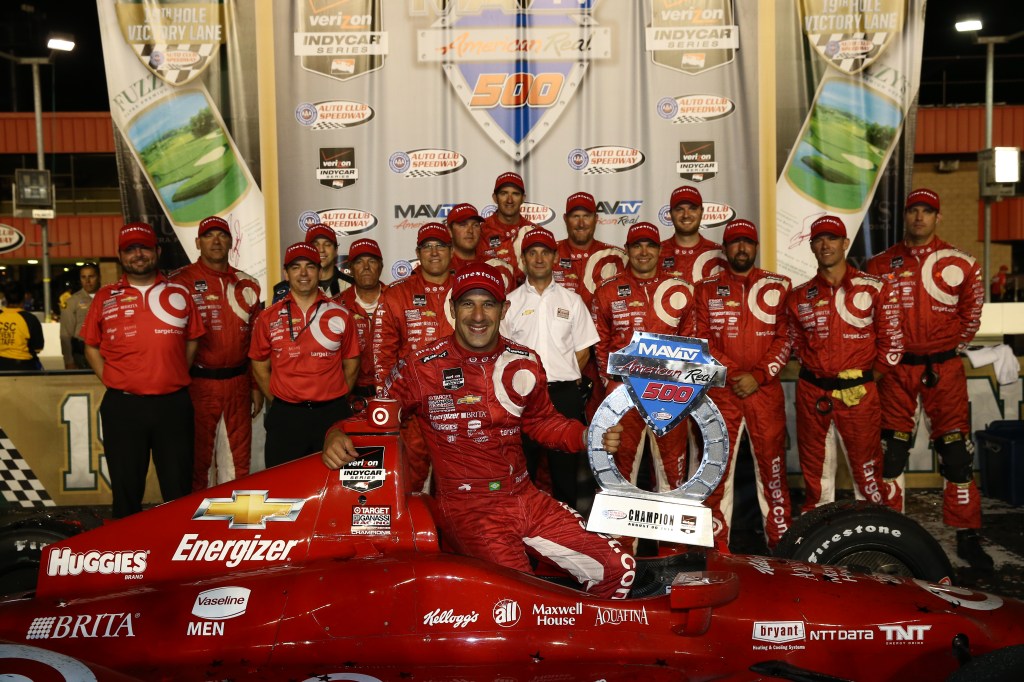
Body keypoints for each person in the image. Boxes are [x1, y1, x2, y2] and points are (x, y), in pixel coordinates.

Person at [323, 262, 635, 599]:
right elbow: (375, 418)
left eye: (488, 304)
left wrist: (587, 436)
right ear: (452, 308)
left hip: (525, 497)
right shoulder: (421, 367)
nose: (477, 315)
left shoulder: (525, 360)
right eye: (467, 304)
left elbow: (542, 421)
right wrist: (337, 431)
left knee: (619, 570)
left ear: (504, 309)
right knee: (523, 597)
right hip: (468, 508)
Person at [866, 188, 992, 569]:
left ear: (938, 217)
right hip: (897, 370)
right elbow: (871, 319)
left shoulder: (963, 263)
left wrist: (944, 348)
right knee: (891, 453)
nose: (919, 217)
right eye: (913, 211)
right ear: (904, 216)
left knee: (956, 454)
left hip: (944, 369)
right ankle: (890, 533)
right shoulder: (879, 265)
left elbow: (971, 316)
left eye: (927, 211)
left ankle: (967, 535)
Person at [80, 222, 205, 518]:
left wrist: (172, 372)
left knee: (178, 491)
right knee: (126, 492)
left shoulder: (180, 292)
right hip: (124, 407)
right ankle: (127, 546)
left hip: (173, 405)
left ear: (157, 251)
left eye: (144, 248)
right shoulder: (105, 296)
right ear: (120, 256)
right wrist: (112, 380)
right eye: (130, 249)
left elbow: (192, 340)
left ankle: (177, 546)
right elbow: (91, 347)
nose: (138, 254)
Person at [785, 215, 902, 515]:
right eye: (818, 240)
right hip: (813, 395)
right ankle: (818, 537)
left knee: (867, 475)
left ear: (845, 243)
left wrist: (864, 380)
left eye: (832, 238)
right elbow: (796, 344)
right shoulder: (799, 296)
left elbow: (893, 344)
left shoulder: (874, 288)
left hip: (859, 397)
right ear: (812, 246)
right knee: (816, 477)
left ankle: (873, 535)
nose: (825, 245)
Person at [693, 219, 794, 550]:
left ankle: (781, 548)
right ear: (724, 249)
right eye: (735, 242)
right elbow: (702, 340)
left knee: (773, 472)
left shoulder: (779, 286)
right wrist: (737, 374)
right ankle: (716, 550)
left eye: (747, 242)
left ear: (756, 247)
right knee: (716, 472)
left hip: (764, 391)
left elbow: (786, 337)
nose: (741, 248)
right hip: (723, 391)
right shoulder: (705, 288)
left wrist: (759, 375)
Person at [592, 222, 694, 494]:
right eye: (637, 246)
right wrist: (612, 384)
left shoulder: (681, 290)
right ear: (627, 249)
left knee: (671, 473)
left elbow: (692, 343)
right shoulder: (607, 290)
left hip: (670, 393)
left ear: (660, 250)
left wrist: (680, 387)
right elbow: (600, 345)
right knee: (620, 474)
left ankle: (671, 525)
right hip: (624, 393)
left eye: (650, 245)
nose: (644, 252)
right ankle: (622, 525)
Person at [500, 227, 600, 507]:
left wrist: (562, 377)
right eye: (532, 253)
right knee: (522, 474)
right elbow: (503, 353)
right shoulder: (510, 303)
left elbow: (583, 351)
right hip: (522, 399)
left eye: (545, 252)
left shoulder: (572, 300)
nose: (539, 258)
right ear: (523, 259)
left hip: (563, 396)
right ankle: (523, 532)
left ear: (555, 257)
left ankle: (569, 532)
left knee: (565, 476)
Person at [170, 216, 262, 490]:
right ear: (197, 242)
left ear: (231, 242)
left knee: (238, 463)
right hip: (197, 384)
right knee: (199, 462)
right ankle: (198, 517)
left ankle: (231, 517)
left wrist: (255, 385)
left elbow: (256, 343)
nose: (216, 241)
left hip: (238, 384)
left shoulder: (248, 284)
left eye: (222, 235)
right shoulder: (178, 282)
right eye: (208, 235)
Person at [250, 242, 360, 468]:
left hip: (331, 416)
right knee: (283, 484)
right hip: (286, 417)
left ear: (320, 272)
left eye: (310, 267)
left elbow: (352, 365)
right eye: (295, 267)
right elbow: (259, 366)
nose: (303, 273)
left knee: (333, 484)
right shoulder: (267, 317)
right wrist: (281, 401)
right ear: (286, 273)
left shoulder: (340, 314)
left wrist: (334, 400)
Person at [373, 222, 456, 492]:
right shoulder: (397, 293)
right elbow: (383, 355)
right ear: (418, 253)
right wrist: (390, 405)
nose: (434, 252)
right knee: (410, 483)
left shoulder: (466, 289)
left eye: (440, 246)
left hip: (460, 405)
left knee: (459, 484)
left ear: (451, 251)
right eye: (427, 247)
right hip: (413, 408)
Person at [554, 191, 627, 420]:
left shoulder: (616, 256)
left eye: (586, 216)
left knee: (604, 423)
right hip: (560, 355)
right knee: (560, 423)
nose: (581, 222)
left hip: (602, 355)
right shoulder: (549, 253)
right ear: (565, 219)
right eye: (575, 216)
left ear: (596, 219)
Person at [336, 238, 387, 404]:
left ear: (381, 266)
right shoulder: (336, 306)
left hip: (393, 394)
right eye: (359, 262)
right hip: (349, 397)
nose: (366, 267)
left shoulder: (398, 300)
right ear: (350, 268)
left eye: (372, 261)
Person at [659, 185, 726, 283]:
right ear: (671, 213)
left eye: (692, 208)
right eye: (679, 209)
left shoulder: (719, 255)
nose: (686, 215)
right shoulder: (656, 254)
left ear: (701, 212)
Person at [271, 223, 353, 303]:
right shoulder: (283, 289)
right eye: (315, 244)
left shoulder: (352, 285)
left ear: (336, 250)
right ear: (306, 249)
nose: (321, 249)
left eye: (327, 244)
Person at [478, 171, 537, 283]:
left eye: (515, 194)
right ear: (495, 198)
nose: (509, 200)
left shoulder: (534, 232)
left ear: (523, 198)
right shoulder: (480, 231)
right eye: (504, 193)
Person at [59, 264, 100, 369]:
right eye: (83, 277)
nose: (87, 281)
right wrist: (68, 360)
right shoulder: (72, 301)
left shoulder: (107, 297)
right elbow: (65, 334)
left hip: (105, 352)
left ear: (98, 277)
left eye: (91, 276)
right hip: (82, 354)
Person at [0, 280, 44, 371]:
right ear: (24, 297)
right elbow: (38, 347)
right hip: (23, 366)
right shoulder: (30, 319)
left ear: (5, 297)